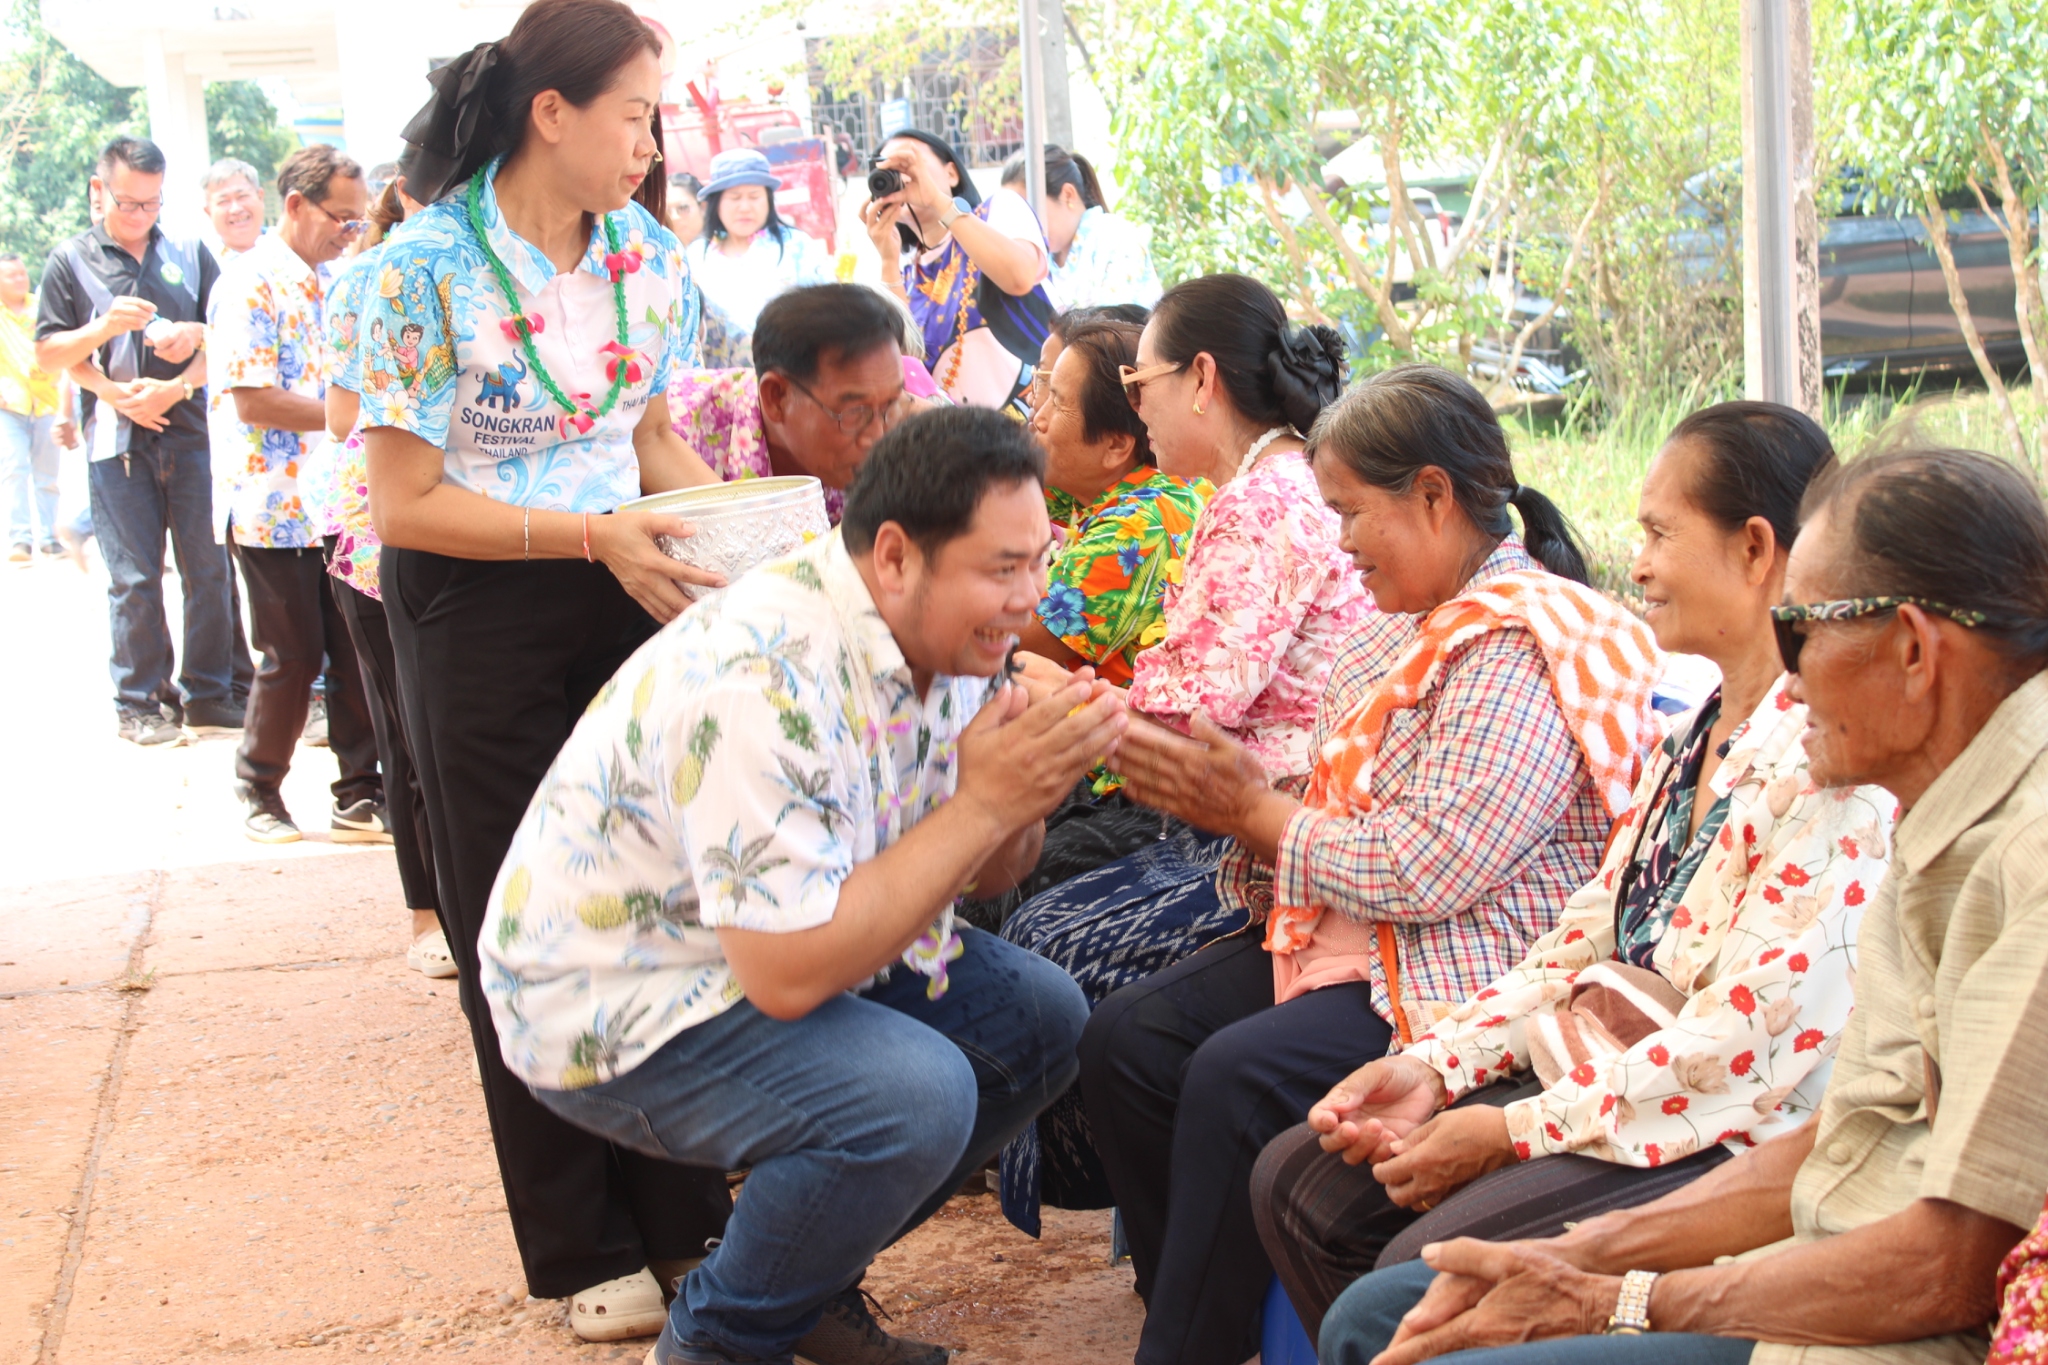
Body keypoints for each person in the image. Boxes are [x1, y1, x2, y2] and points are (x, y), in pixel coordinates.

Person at [1319, 444, 2048, 1365]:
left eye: (1802, 633)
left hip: (1880, 1323)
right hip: (1801, 1238)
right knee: (1380, 1311)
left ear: (1911, 648)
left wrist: (1619, 1294)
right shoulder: (1930, 805)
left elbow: (1953, 1263)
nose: (1789, 682)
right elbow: (1848, 1139)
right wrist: (1580, 1254)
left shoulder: (2022, 860)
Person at [1253, 402, 1894, 1343]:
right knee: (1298, 1181)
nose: (1637, 564)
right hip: (1613, 1069)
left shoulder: (1831, 756)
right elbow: (1583, 937)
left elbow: (1743, 1045)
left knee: (1415, 1268)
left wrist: (1512, 1130)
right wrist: (1434, 1065)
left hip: (1719, 1125)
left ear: (1756, 549)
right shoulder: (1696, 736)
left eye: (1659, 534)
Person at [486, 406, 1114, 1365]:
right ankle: (716, 1341)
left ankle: (796, 1281)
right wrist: (988, 801)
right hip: (612, 998)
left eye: (1039, 563)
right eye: (1002, 568)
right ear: (895, 555)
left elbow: (991, 866)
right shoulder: (764, 674)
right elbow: (786, 976)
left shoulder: (948, 631)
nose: (1028, 600)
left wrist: (1027, 786)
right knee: (915, 1098)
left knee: (1040, 1018)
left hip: (762, 946)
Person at [1080, 363, 1665, 1365]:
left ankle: (1187, 1341)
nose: (1340, 543)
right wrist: (1249, 811)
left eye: (1351, 514)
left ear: (1433, 496)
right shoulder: (1397, 632)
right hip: (1358, 931)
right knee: (1128, 1039)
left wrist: (1258, 814)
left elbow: (1428, 869)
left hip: (1465, 957)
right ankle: (1194, 1307)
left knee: (1230, 1076)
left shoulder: (1515, 642)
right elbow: (1336, 817)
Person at [362, 0, 734, 1342]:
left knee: (654, 895)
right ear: (551, 112)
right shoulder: (421, 270)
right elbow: (405, 502)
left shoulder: (645, 254)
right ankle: (580, 1242)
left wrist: (762, 541)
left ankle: (685, 1210)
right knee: (517, 914)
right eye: (634, 114)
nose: (650, 144)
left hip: (624, 579)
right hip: (477, 601)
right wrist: (592, 536)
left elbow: (648, 439)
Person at [990, 275, 1372, 1235]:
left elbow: (1185, 716)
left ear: (1201, 380)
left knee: (1050, 947)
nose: (1137, 403)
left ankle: (1173, 1239)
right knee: (1036, 923)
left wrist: (1061, 690)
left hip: (1280, 840)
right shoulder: (1259, 487)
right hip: (1260, 816)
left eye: (1140, 382)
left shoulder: (1261, 504)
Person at [37, 136, 240, 746]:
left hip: (192, 434)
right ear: (98, 191)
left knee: (209, 570)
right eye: (129, 203)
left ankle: (212, 692)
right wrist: (105, 355)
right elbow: (50, 352)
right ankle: (141, 701)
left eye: (152, 203)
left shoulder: (188, 250)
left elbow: (227, 335)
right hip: (116, 445)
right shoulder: (70, 260)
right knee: (134, 579)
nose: (141, 216)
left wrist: (181, 372)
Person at [207, 144, 381, 844]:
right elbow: (252, 399)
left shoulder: (338, 279)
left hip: (337, 500)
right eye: (340, 217)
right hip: (271, 503)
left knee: (356, 650)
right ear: (296, 204)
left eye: (358, 220)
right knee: (293, 656)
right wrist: (349, 417)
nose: (349, 231)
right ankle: (259, 786)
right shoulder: (250, 282)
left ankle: (361, 792)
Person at [316, 151, 448, 975]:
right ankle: (426, 916)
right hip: (378, 530)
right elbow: (340, 417)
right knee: (404, 727)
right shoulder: (367, 280)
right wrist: (424, 399)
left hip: (471, 520)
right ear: (404, 197)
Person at [668, 282, 914, 524]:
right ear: (776, 398)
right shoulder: (670, 441)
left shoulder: (898, 415)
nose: (878, 437)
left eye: (891, 405)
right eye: (855, 413)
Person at [861, 128, 1054, 410]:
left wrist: (937, 201)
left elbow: (1019, 277)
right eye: (888, 171)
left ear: (952, 173)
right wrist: (888, 260)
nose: (903, 178)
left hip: (1041, 414)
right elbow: (907, 368)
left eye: (908, 163)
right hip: (963, 432)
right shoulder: (906, 276)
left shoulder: (998, 209)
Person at [685, 148, 832, 367]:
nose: (745, 207)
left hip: (790, 369)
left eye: (754, 196)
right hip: (720, 379)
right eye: (734, 197)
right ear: (716, 203)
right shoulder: (696, 256)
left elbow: (827, 311)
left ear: (768, 200)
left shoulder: (798, 246)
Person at [1000, 144, 1162, 312]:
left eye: (1027, 211)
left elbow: (1115, 325)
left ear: (1068, 195)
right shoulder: (1041, 262)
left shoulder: (1116, 238)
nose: (1022, 224)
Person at [0, 253, 68, 560]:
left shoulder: (41, 307)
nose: (19, 279)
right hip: (8, 405)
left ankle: (50, 538)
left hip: (46, 401)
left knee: (47, 476)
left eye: (22, 273)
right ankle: (20, 541)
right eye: (11, 275)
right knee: (14, 470)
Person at [202, 159, 265, 261]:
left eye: (242, 196)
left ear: (260, 197)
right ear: (208, 211)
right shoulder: (202, 262)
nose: (235, 209)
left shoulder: (287, 247)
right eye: (223, 201)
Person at [665, 170, 704, 244]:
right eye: (666, 212)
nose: (674, 217)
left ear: (703, 206)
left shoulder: (723, 245)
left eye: (682, 208)